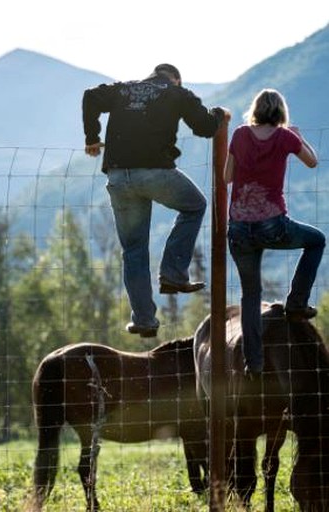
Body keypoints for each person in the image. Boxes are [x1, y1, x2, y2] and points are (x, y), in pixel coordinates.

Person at [82, 63, 228, 338]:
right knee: (194, 205)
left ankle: (144, 320)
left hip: (117, 176)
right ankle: (173, 271)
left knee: (133, 250)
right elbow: (206, 127)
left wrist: (92, 137)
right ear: (176, 79)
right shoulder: (176, 93)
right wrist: (218, 115)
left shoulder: (124, 89)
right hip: (154, 173)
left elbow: (90, 95)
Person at [224, 88, 325, 376]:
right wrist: (297, 135)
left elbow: (227, 177)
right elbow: (313, 161)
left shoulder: (240, 134)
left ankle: (252, 363)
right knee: (316, 240)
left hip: (239, 227)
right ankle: (296, 302)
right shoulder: (285, 137)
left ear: (255, 109)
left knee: (250, 295)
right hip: (273, 224)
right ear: (280, 112)